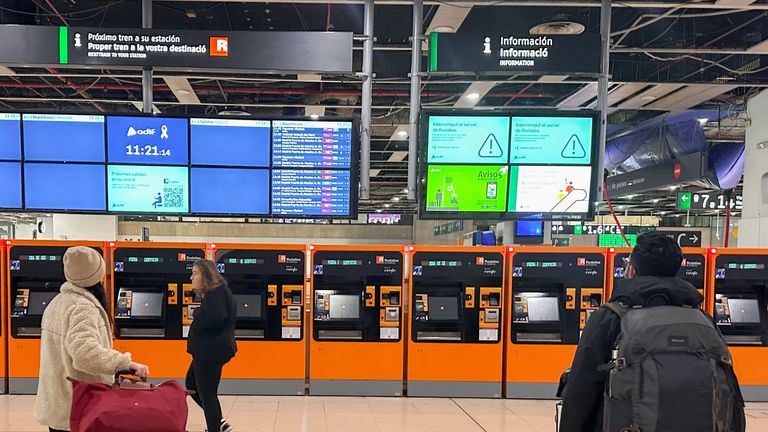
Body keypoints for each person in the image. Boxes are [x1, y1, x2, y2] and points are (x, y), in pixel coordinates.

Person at [560, 232, 745, 432]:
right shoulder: (703, 320)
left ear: (631, 270)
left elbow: (581, 391)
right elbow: (731, 392)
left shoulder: (611, 317)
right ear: (676, 271)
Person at [35, 246, 150, 432]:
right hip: (78, 407)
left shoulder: (56, 302)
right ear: (98, 274)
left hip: (59, 404)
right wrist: (125, 363)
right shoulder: (83, 307)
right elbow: (85, 354)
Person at [186, 259, 237, 432]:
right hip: (207, 350)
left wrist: (196, 312)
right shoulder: (216, 292)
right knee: (192, 386)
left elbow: (214, 319)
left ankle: (214, 427)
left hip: (210, 352)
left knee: (207, 394)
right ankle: (218, 422)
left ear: (206, 275)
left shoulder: (215, 293)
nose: (191, 277)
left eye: (195, 273)